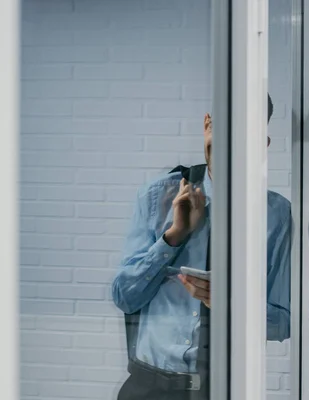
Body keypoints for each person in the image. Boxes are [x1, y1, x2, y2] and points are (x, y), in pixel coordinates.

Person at [112, 94, 291, 400]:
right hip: (148, 388)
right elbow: (124, 298)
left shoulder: (276, 215)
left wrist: (234, 304)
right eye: (224, 127)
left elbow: (283, 324)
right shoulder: (158, 197)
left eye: (245, 132)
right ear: (208, 125)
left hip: (226, 390)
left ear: (263, 143)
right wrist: (174, 236)